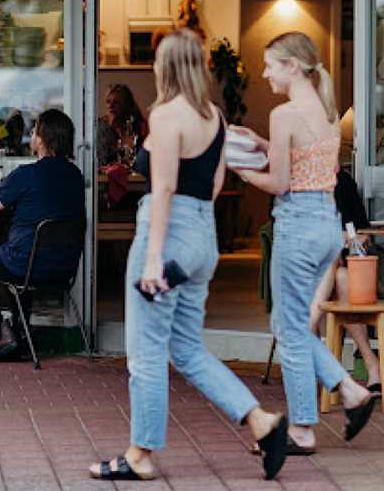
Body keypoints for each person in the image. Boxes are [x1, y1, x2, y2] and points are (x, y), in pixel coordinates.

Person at [89, 29, 288, 482]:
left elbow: (162, 188)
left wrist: (154, 258)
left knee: (145, 354)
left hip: (168, 236)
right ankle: (260, 422)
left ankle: (139, 454)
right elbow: (216, 185)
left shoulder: (164, 116)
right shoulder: (215, 116)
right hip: (203, 237)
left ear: (166, 67)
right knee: (187, 348)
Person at [232, 32, 375, 455]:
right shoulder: (328, 110)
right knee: (289, 324)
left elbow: (278, 182)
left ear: (293, 65)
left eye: (271, 65)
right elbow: (308, 160)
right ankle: (349, 390)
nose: (264, 73)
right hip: (326, 224)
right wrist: (260, 144)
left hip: (295, 224)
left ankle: (303, 430)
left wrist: (240, 170)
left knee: (290, 330)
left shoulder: (284, 113)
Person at [0, 109, 85, 362]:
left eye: (34, 132)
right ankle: (20, 330)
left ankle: (0, 331)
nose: (30, 136)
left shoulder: (27, 174)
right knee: (8, 255)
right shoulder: (75, 176)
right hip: (64, 267)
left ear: (42, 139)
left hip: (23, 264)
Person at [309, 166, 382, 392]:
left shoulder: (344, 182)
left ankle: (308, 325)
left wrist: (354, 240)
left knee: (342, 277)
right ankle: (373, 366)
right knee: (337, 271)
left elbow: (364, 231)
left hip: (341, 263)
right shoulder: (292, 183)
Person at [97, 84, 148, 166]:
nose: (110, 106)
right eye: (108, 102)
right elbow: (103, 161)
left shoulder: (136, 125)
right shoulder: (101, 127)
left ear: (126, 105)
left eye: (116, 102)